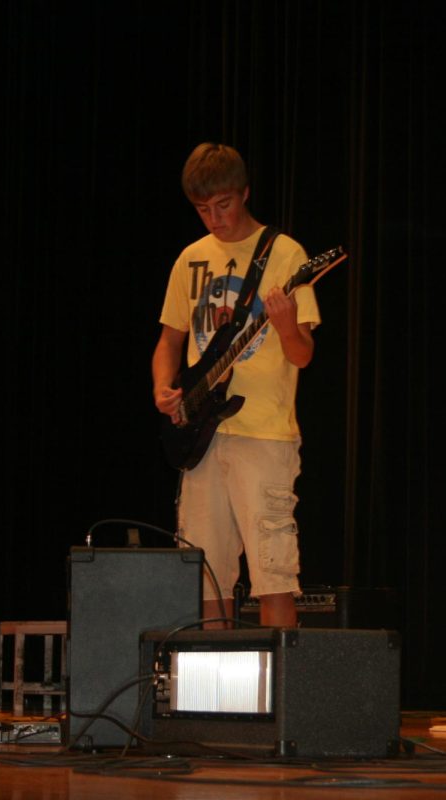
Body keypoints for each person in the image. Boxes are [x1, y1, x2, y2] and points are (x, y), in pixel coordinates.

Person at [152, 142, 319, 628]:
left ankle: (281, 700)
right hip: (202, 439)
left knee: (274, 574)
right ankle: (213, 702)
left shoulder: (285, 254)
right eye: (203, 210)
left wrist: (286, 325)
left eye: (223, 205)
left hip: (263, 435)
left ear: (244, 193)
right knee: (206, 578)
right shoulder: (191, 259)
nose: (214, 219)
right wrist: (164, 387)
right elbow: (169, 341)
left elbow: (303, 354)